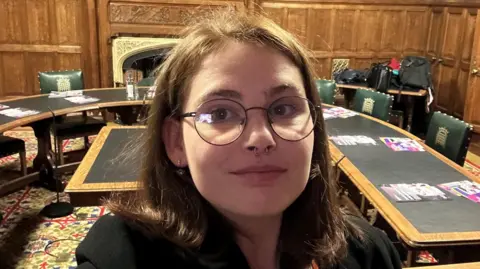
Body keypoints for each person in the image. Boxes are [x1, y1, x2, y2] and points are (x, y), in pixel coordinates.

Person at [75, 8, 402, 269]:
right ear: (176, 142)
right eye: (220, 114)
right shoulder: (127, 256)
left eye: (283, 108)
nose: (260, 138)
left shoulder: (369, 253)